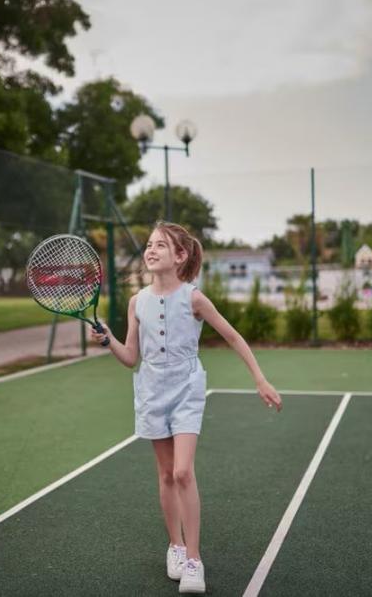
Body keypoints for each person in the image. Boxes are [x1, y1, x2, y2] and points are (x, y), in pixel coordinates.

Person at [91, 222, 282, 594]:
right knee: (165, 475)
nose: (151, 250)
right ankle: (175, 547)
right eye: (149, 244)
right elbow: (131, 357)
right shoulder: (136, 302)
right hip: (150, 390)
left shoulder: (194, 298)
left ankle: (194, 559)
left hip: (186, 389)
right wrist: (108, 339)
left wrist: (260, 378)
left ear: (180, 256)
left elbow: (232, 335)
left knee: (182, 472)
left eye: (160, 245)